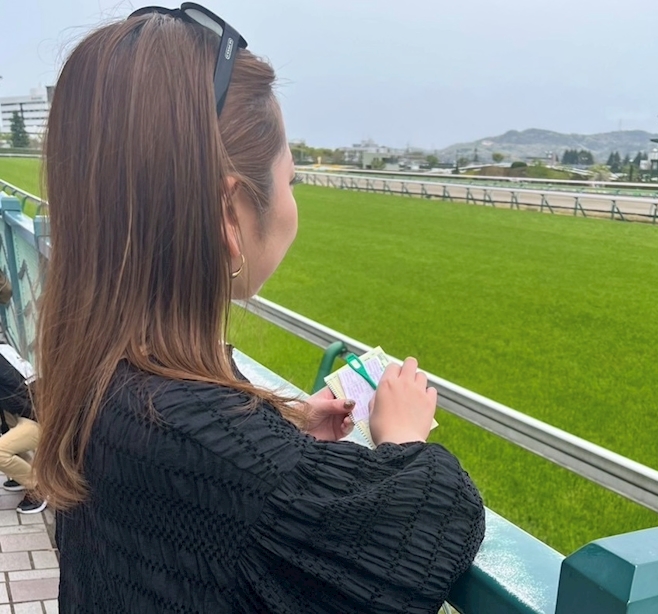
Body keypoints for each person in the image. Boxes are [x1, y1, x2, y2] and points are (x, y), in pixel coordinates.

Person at [34, 4, 485, 613]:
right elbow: (431, 520)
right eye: (289, 180)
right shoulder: (212, 445)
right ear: (230, 212)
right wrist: (403, 438)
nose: (292, 202)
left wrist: (281, 430)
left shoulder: (96, 372)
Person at [0, 345, 46, 514]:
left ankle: (39, 488)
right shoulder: (4, 349)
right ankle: (25, 474)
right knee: (7, 431)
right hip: (23, 414)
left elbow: (32, 384)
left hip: (38, 417)